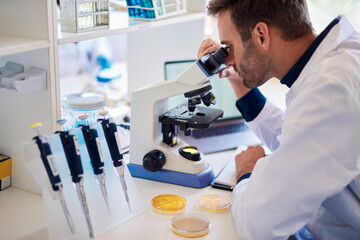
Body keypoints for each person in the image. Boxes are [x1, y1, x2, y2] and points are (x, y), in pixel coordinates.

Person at [197, 0, 360, 239]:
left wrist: (247, 173)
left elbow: (257, 225)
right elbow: (298, 142)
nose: (227, 59)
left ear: (261, 35)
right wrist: (237, 77)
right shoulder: (338, 60)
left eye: (229, 47)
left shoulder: (330, 89)